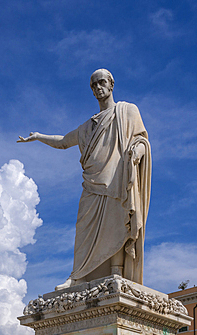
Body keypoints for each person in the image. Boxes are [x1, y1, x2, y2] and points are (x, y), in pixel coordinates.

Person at [18, 69, 151, 285]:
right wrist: (39, 137)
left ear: (111, 84)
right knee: (83, 228)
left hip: (116, 179)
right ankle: (78, 275)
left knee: (116, 223)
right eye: (93, 85)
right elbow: (63, 141)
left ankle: (116, 274)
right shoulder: (87, 127)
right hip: (92, 183)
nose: (98, 88)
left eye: (101, 83)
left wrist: (138, 152)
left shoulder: (127, 111)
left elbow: (141, 140)